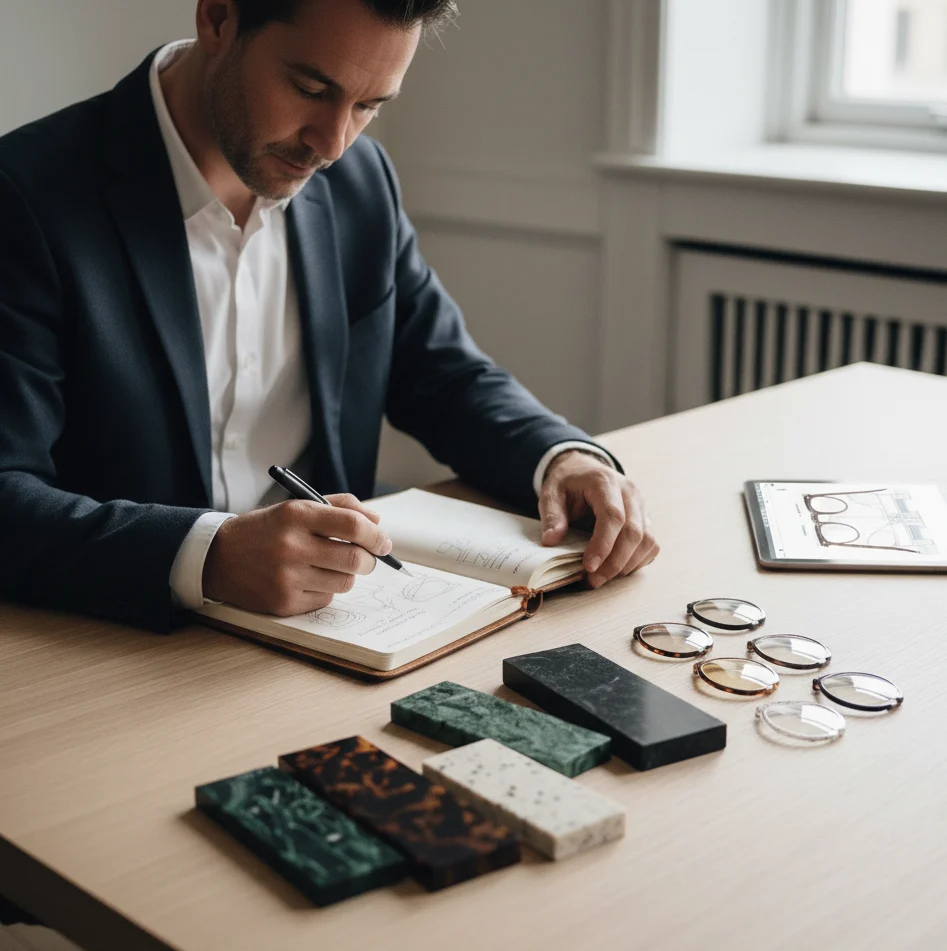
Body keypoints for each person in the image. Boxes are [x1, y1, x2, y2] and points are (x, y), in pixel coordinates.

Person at [0, 0, 658, 633]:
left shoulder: (359, 179)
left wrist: (561, 459)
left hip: (345, 622)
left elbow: (443, 372)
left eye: (369, 106)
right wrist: (208, 555)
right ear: (218, 17)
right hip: (119, 638)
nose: (334, 143)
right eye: (311, 88)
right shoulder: (26, 196)